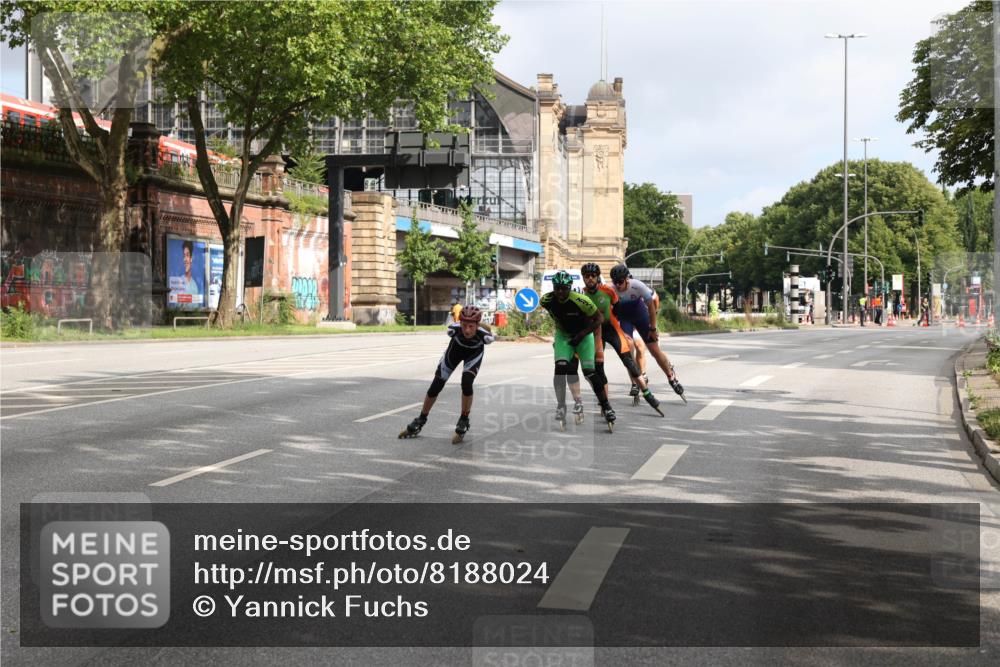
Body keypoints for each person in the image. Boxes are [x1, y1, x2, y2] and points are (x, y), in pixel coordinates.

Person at [571, 263, 662, 416]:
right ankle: (604, 403)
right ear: (583, 278)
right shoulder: (581, 295)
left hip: (612, 329)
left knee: (629, 362)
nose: (590, 278)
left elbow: (619, 311)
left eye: (593, 276)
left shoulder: (608, 291)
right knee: (598, 369)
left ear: (598, 277)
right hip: (595, 332)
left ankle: (647, 394)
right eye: (587, 276)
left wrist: (625, 330)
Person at [399, 305, 494, 443]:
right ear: (460, 323)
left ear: (477, 325)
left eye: (471, 326)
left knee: (467, 382)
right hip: (454, 352)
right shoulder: (453, 329)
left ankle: (464, 419)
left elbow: (489, 334)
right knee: (436, 386)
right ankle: (421, 419)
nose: (467, 330)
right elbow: (457, 328)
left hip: (473, 354)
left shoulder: (486, 337)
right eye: (464, 325)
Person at [540, 270, 616, 431]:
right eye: (557, 288)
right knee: (560, 368)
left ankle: (606, 406)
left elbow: (600, 319)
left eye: (564, 288)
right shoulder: (546, 300)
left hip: (584, 336)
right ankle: (561, 405)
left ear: (570, 288)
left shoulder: (581, 300)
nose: (560, 292)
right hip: (564, 336)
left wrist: (581, 335)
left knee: (590, 373)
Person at [609, 264, 686, 403]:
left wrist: (653, 328)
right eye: (615, 282)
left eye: (620, 281)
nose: (618, 285)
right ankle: (635, 382)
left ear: (627, 279)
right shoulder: (611, 289)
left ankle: (671, 377)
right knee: (628, 351)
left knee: (655, 351)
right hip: (625, 319)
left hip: (641, 316)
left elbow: (651, 307)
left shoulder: (637, 285)